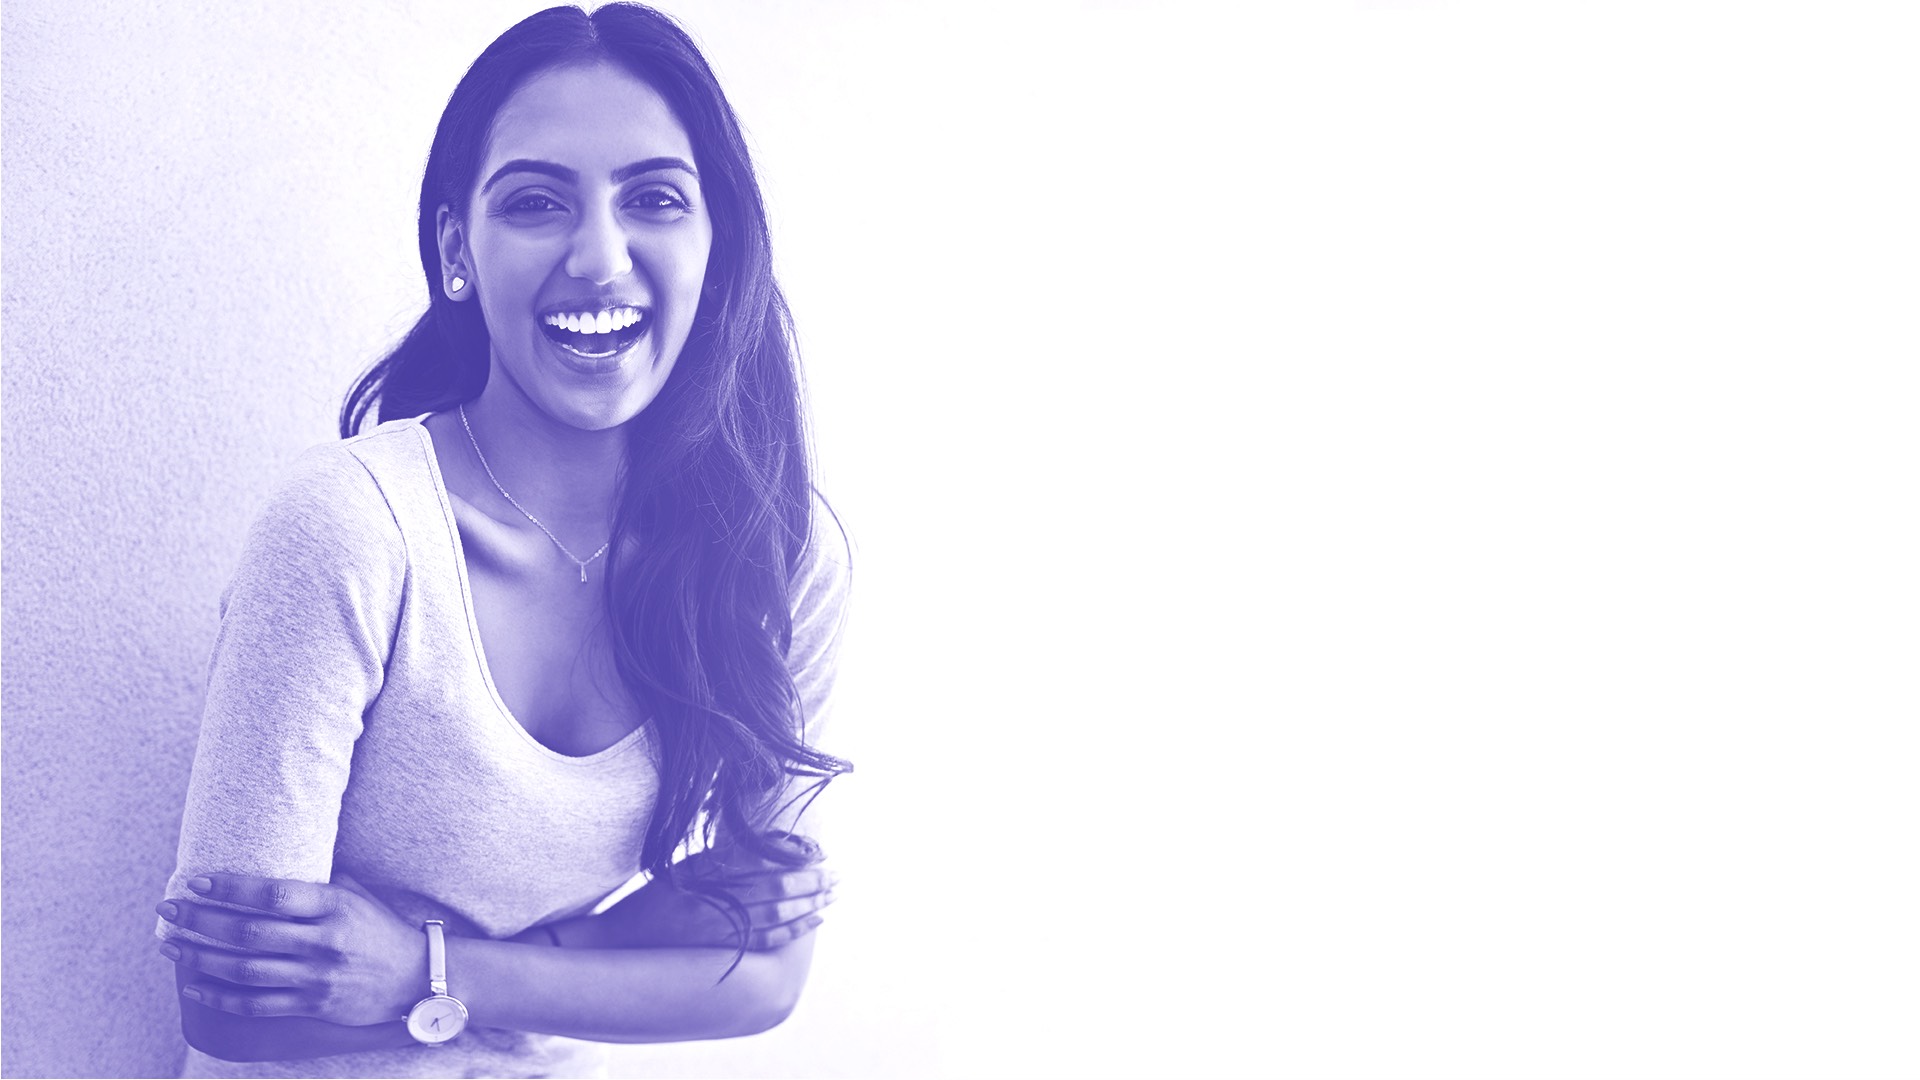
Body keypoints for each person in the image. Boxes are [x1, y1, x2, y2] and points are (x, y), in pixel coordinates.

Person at [151, 5, 851, 1076]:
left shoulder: (772, 560)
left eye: (655, 198)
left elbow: (764, 976)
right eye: (536, 202)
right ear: (457, 251)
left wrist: (420, 968)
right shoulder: (351, 530)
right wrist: (618, 947)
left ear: (717, 246)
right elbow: (233, 1010)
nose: (600, 258)